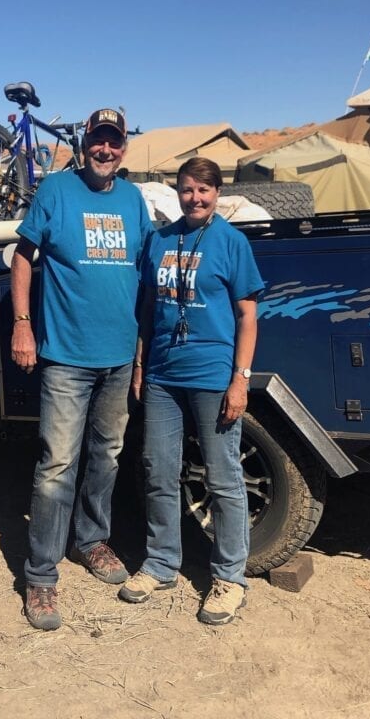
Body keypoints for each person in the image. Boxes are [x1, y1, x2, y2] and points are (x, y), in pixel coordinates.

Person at [11, 107, 152, 631]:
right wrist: (22, 324)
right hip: (67, 357)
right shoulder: (56, 191)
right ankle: (41, 576)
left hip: (117, 357)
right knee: (55, 467)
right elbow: (23, 256)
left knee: (108, 457)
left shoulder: (134, 200)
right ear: (85, 143)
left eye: (114, 142)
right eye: (98, 140)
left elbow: (144, 274)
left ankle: (91, 541)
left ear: (123, 149)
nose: (106, 150)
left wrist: (139, 354)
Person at [120, 157, 264, 625]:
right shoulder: (160, 241)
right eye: (186, 189)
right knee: (159, 471)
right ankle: (161, 563)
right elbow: (147, 309)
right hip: (163, 375)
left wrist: (240, 380)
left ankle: (229, 578)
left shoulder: (232, 243)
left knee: (223, 478)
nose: (195, 198)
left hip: (212, 376)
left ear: (217, 192)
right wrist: (142, 365)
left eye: (203, 189)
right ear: (176, 193)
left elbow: (247, 316)